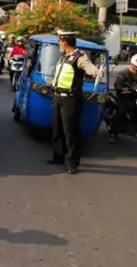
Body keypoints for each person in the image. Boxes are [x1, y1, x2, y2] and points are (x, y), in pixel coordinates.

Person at [46, 30, 102, 174]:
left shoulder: (80, 57)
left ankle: (72, 162)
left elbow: (89, 68)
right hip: (58, 96)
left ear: (65, 42)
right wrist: (53, 82)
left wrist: (96, 72)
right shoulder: (63, 58)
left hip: (70, 99)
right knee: (57, 129)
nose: (59, 43)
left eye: (60, 41)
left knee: (70, 131)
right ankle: (58, 156)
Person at [109, 53, 137, 143]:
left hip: (136, 95)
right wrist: (125, 89)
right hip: (124, 95)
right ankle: (113, 132)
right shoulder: (124, 73)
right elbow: (117, 86)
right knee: (122, 111)